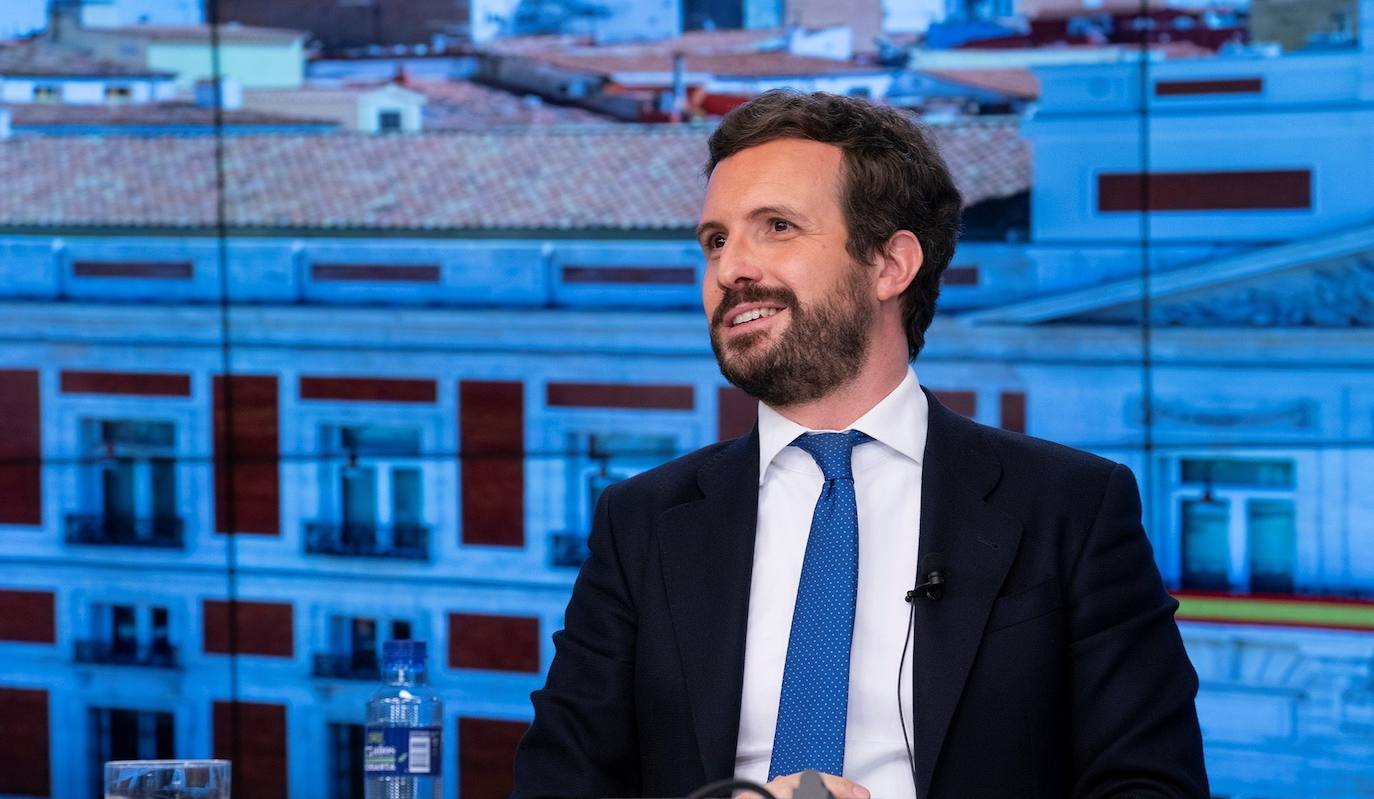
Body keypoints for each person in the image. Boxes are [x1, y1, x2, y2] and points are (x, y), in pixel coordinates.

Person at [511, 90, 1208, 799]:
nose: (729, 269)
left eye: (777, 227)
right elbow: (556, 785)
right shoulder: (641, 522)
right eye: (715, 240)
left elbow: (1152, 786)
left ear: (890, 265)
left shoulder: (1071, 506)